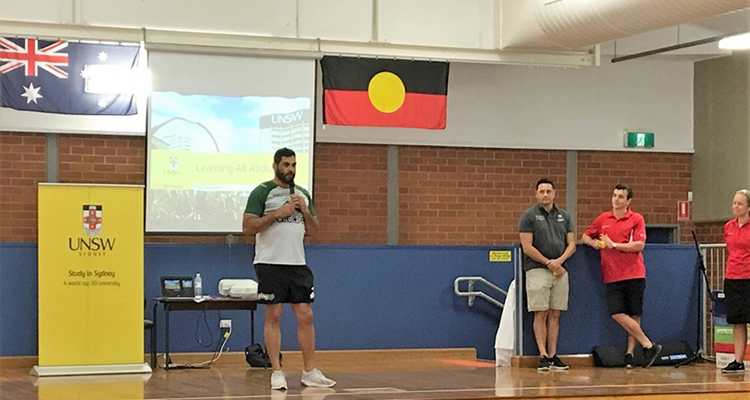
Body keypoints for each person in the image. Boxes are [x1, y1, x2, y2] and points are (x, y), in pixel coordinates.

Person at [243, 147, 336, 390]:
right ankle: (276, 372)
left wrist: (304, 210)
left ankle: (309, 371)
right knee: (274, 315)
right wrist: (278, 213)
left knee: (306, 315)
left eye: (293, 165)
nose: (290, 169)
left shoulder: (303, 194)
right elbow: (248, 226)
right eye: (286, 165)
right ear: (275, 166)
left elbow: (314, 231)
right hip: (270, 263)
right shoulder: (262, 192)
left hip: (297, 263)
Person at [581, 184, 662, 368]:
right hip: (611, 274)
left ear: (628, 201)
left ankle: (630, 353)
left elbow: (638, 245)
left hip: (633, 273)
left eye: (620, 197)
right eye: (614, 195)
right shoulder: (603, 218)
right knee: (617, 313)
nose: (616, 199)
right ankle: (648, 344)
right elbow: (585, 235)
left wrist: (614, 245)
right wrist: (593, 243)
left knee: (634, 314)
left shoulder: (636, 219)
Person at [519, 178, 576, 371]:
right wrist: (548, 263)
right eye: (541, 191)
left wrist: (558, 263)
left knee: (555, 313)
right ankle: (542, 355)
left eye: (548, 191)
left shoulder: (565, 216)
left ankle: (553, 355)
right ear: (536, 194)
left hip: (560, 270)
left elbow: (572, 245)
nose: (545, 194)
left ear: (554, 193)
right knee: (540, 313)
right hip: (537, 269)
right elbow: (527, 246)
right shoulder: (528, 216)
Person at [721, 189, 750, 373]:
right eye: (734, 203)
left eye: (740, 203)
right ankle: (738, 360)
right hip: (732, 277)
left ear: (748, 207)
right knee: (737, 320)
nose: (736, 207)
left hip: (749, 277)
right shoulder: (728, 227)